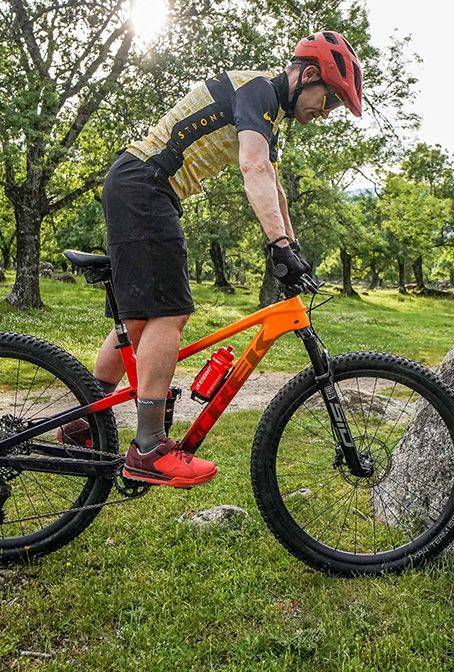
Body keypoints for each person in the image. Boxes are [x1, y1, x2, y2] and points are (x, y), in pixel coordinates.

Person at [61, 31, 365, 488]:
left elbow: (273, 186)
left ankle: (80, 424)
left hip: (141, 186)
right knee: (170, 313)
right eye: (329, 100)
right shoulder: (258, 91)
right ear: (306, 75)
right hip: (146, 185)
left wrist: (291, 248)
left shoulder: (267, 111)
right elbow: (252, 168)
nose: (325, 114)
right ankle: (147, 448)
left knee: (139, 321)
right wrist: (278, 247)